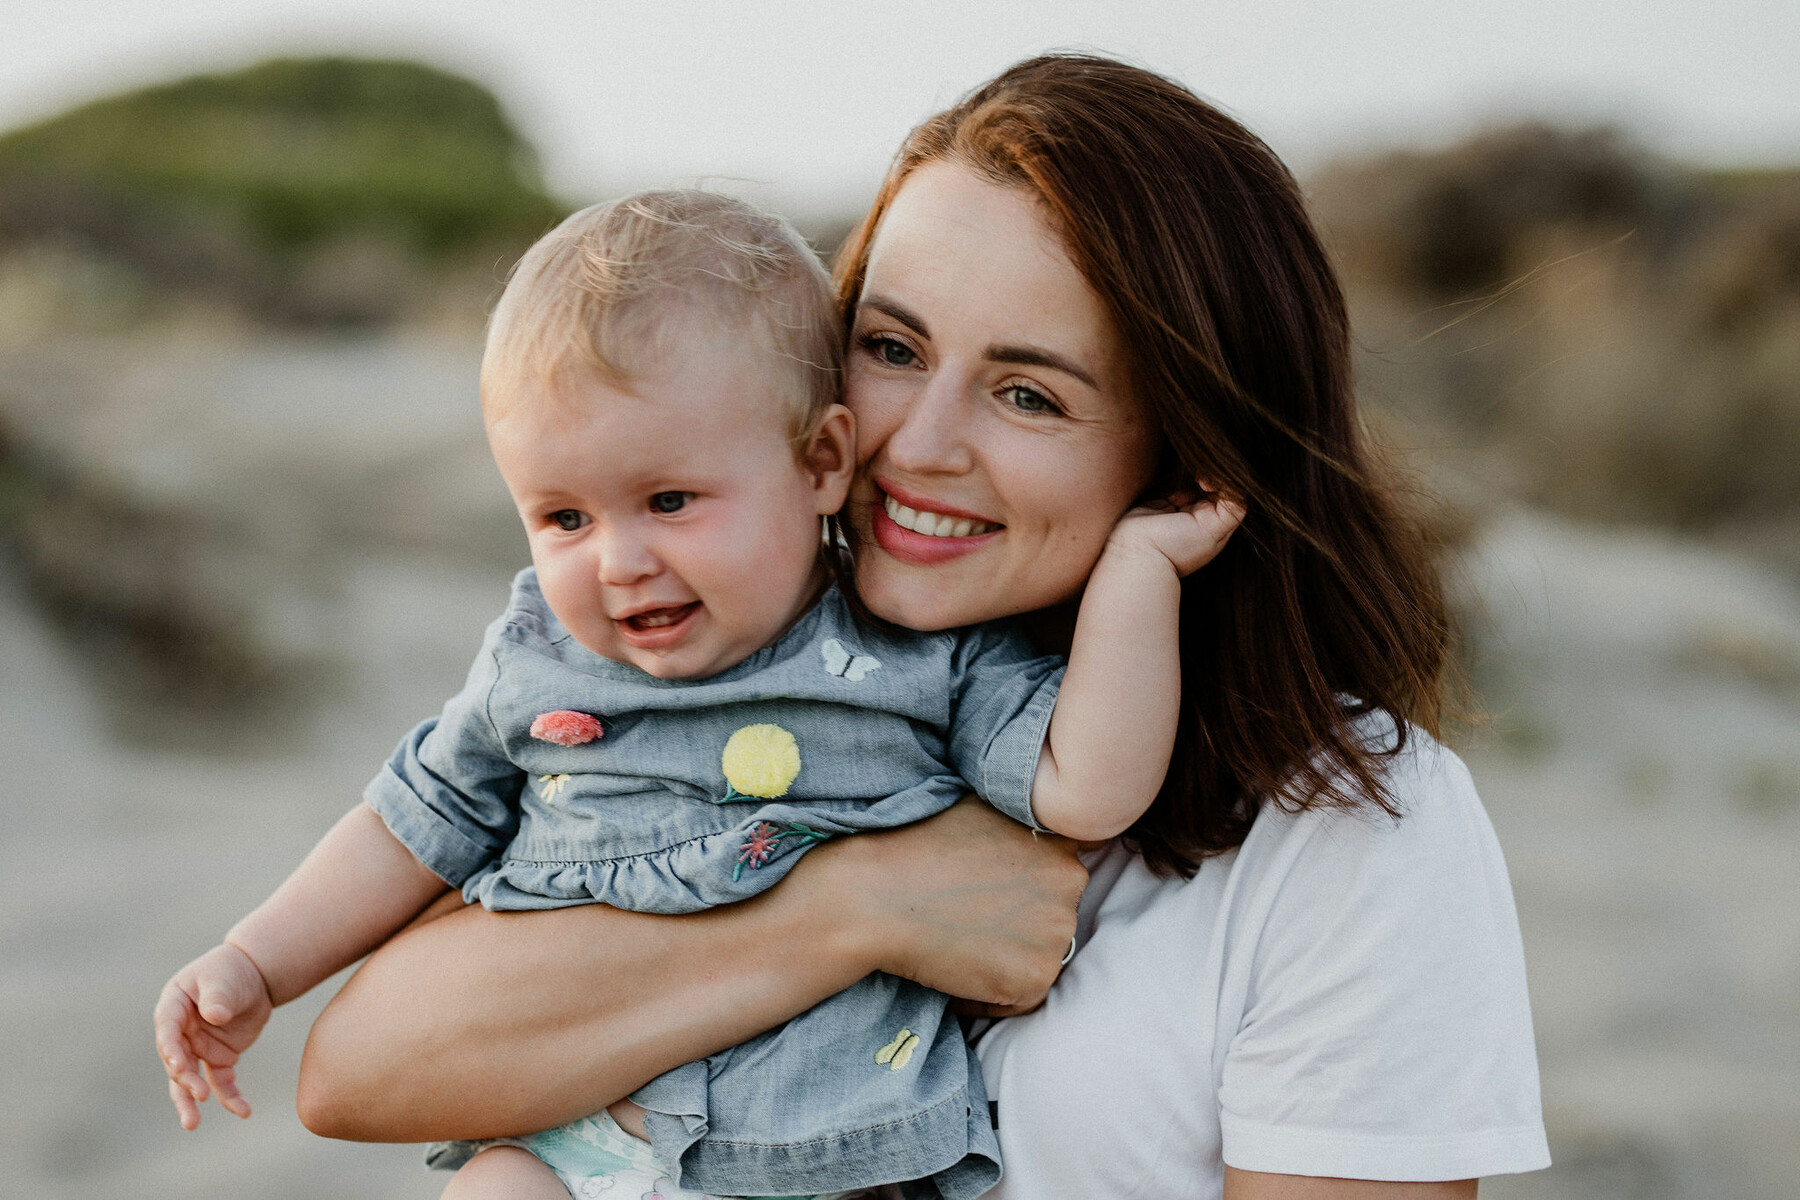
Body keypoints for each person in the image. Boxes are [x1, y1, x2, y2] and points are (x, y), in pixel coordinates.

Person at [293, 54, 1550, 1199]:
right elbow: (355, 1072)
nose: (919, 445)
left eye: (1026, 392)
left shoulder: (1347, 834)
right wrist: (853, 909)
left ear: (1187, 454)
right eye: (891, 347)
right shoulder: (712, 685)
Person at [151, 188, 1239, 1200]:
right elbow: (411, 821)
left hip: (827, 1149)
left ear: (820, 461)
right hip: (569, 1134)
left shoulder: (917, 659)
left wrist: (1139, 577)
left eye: (669, 499)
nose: (616, 559)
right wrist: (255, 958)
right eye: (564, 517)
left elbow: (1089, 789)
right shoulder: (537, 659)